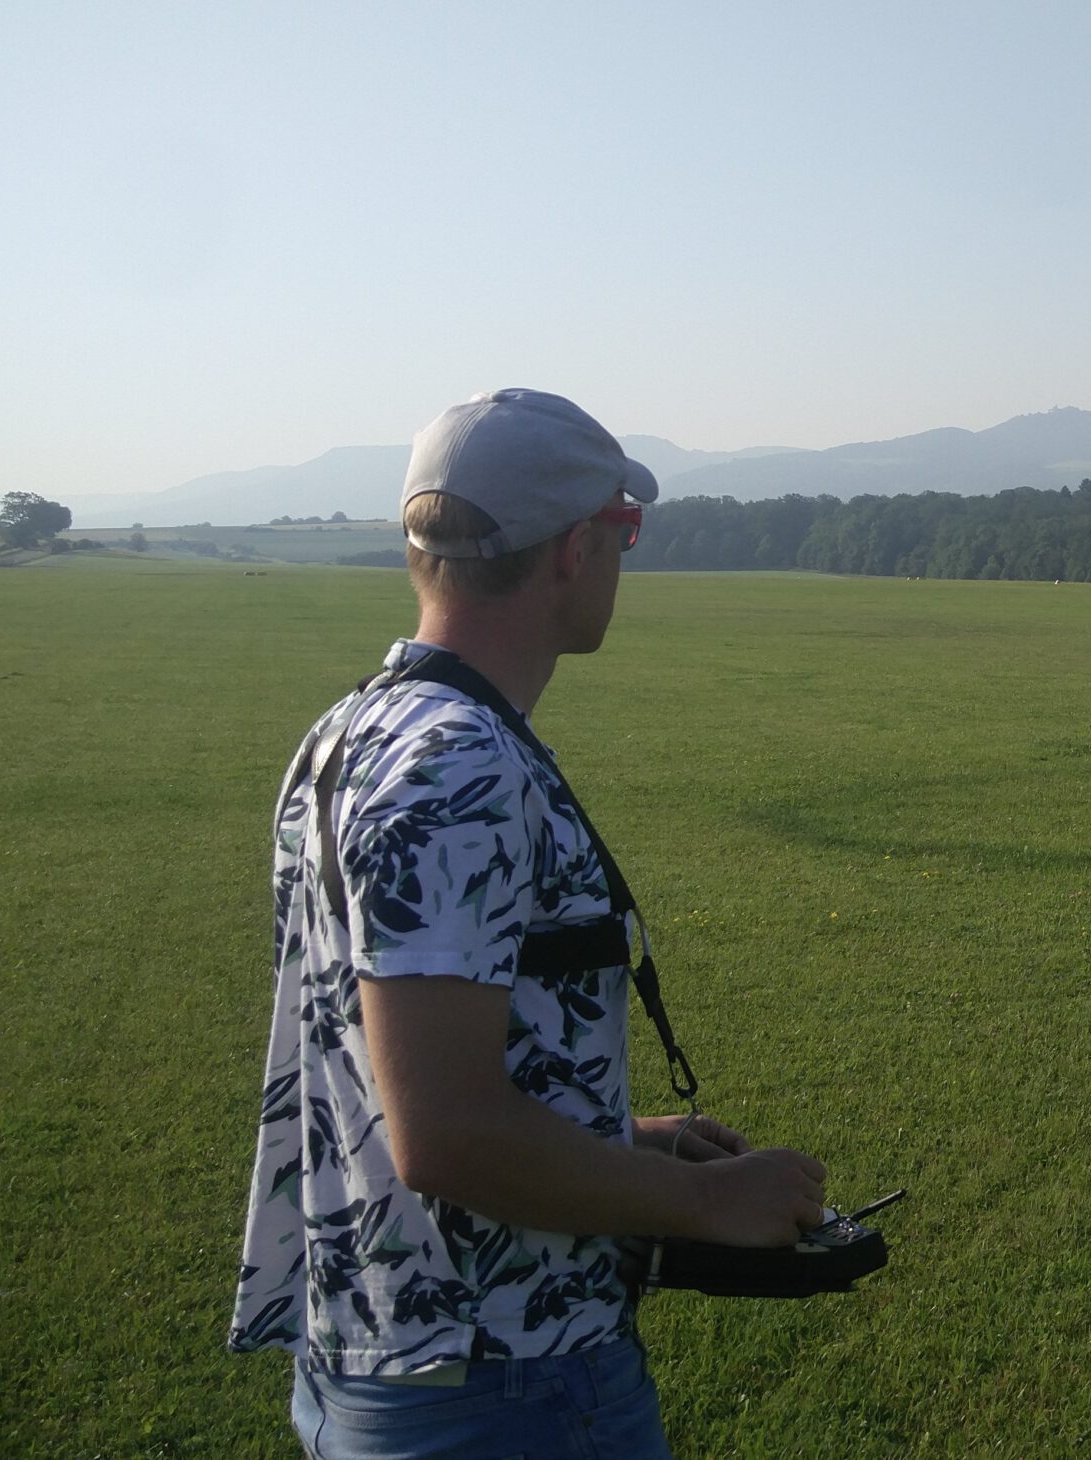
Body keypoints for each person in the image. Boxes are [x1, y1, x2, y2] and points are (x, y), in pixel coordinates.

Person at [229, 388, 828, 1457]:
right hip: (498, 1381)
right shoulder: (456, 767)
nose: (622, 558)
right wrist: (700, 1201)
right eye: (624, 530)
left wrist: (621, 1138)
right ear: (569, 549)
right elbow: (445, 1131)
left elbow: (402, 1076)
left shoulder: (350, 732)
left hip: (386, 1353)